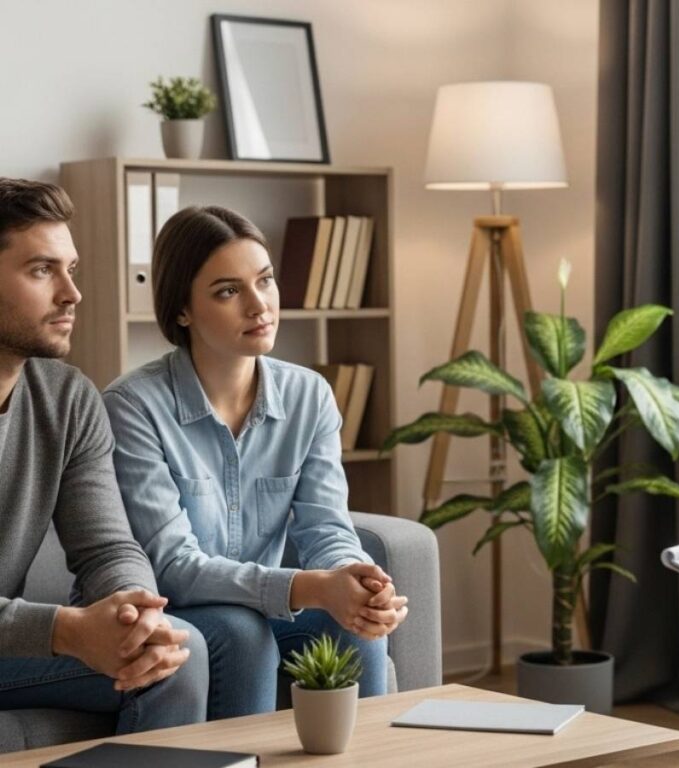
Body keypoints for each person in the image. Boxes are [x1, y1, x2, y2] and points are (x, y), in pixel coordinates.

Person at [103, 205, 409, 720]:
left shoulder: (309, 395)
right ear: (182, 310)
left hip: (262, 604)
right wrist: (309, 587)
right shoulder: (133, 406)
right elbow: (172, 568)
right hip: (176, 611)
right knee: (241, 631)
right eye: (228, 291)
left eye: (265, 281)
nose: (258, 305)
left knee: (355, 623)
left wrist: (355, 579)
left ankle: (372, 756)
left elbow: (326, 528)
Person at [0, 178, 207, 737]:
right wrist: (66, 630)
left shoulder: (68, 398)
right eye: (42, 270)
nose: (72, 293)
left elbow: (106, 547)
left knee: (177, 654)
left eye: (71, 269)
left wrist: (135, 615)